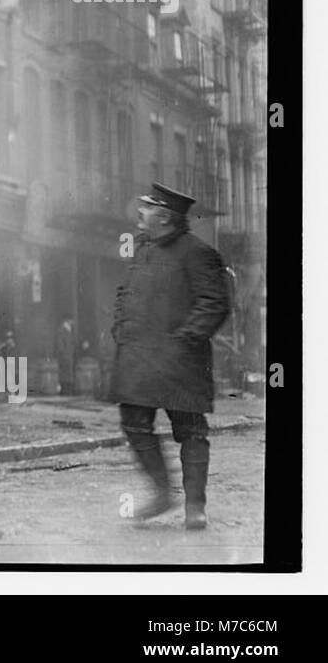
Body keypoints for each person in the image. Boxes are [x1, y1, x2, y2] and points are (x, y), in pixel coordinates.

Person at [111, 182, 230, 529]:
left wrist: (185, 339)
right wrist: (120, 326)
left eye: (146, 209)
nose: (140, 213)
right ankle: (163, 494)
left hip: (182, 361)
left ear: (164, 217)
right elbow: (124, 293)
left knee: (191, 431)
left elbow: (214, 303)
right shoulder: (142, 249)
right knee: (134, 424)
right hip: (138, 361)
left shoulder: (198, 253)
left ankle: (195, 506)